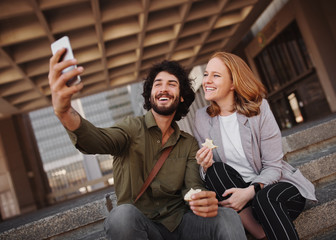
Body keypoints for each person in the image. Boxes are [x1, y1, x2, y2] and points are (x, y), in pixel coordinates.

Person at [48, 48, 247, 240]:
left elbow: (192, 188)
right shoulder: (131, 128)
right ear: (150, 94)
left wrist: (203, 200)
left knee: (227, 216)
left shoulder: (188, 144)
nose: (163, 88)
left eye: (172, 84)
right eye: (157, 84)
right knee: (121, 216)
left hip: (181, 224)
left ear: (181, 96)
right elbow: (96, 140)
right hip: (142, 226)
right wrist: (65, 112)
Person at [193, 52, 317, 240]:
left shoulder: (260, 109)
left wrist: (250, 191)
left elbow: (273, 167)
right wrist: (203, 164)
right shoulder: (202, 118)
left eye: (215, 75)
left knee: (264, 199)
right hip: (239, 198)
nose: (207, 81)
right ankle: (260, 233)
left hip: (275, 187)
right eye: (206, 74)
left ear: (233, 83)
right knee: (214, 170)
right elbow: (210, 174)